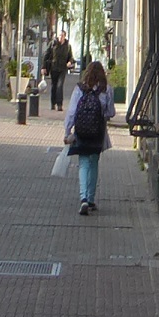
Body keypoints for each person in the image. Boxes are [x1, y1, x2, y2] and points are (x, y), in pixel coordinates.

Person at [63, 59, 115, 215]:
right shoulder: (107, 89)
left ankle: (83, 198)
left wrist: (67, 131)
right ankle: (91, 199)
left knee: (83, 163)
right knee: (94, 162)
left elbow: (72, 112)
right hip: (98, 132)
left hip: (81, 131)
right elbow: (110, 112)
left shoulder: (79, 89)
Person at [44, 33, 74, 112]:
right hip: (53, 68)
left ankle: (59, 104)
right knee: (54, 86)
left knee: (59, 86)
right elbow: (46, 55)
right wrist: (43, 67)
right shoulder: (53, 44)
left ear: (64, 37)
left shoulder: (68, 46)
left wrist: (70, 62)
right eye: (59, 35)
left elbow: (71, 57)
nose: (60, 37)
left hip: (63, 69)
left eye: (62, 36)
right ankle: (53, 103)